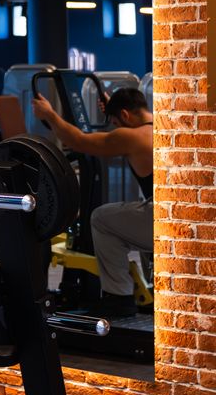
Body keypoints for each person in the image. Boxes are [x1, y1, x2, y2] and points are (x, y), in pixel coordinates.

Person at [31, 86, 153, 320]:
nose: (116, 129)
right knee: (132, 212)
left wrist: (49, 114)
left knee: (100, 219)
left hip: (161, 221)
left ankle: (119, 298)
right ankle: (148, 289)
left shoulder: (132, 136)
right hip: (176, 215)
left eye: (116, 123)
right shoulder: (163, 126)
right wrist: (113, 107)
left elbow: (78, 141)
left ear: (125, 115)